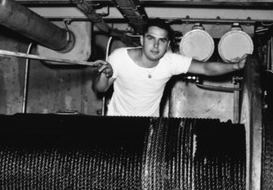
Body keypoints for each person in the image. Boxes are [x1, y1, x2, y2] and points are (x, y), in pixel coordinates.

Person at [92, 18, 247, 117]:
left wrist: (236, 66)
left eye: (162, 40)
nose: (155, 45)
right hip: (117, 123)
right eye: (151, 38)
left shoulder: (170, 62)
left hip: (149, 128)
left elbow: (206, 69)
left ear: (167, 44)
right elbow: (100, 89)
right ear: (142, 40)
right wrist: (105, 74)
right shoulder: (119, 57)